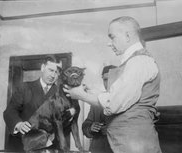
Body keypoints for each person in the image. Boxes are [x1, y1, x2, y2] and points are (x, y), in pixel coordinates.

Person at [64, 16, 162, 153]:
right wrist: (92, 92)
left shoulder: (139, 61)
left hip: (135, 144)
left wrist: (81, 95)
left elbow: (113, 102)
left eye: (112, 37)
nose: (109, 43)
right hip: (128, 143)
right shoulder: (134, 61)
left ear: (127, 36)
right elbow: (119, 96)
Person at [3, 55, 62, 151]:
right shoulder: (24, 88)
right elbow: (10, 111)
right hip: (21, 146)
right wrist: (18, 124)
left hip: (49, 148)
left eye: (57, 72)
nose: (53, 75)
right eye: (51, 70)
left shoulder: (61, 94)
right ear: (43, 68)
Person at [82, 65, 116, 153]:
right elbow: (86, 124)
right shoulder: (98, 99)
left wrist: (111, 130)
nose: (108, 83)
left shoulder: (126, 99)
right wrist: (90, 127)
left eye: (111, 79)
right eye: (105, 79)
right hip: (97, 149)